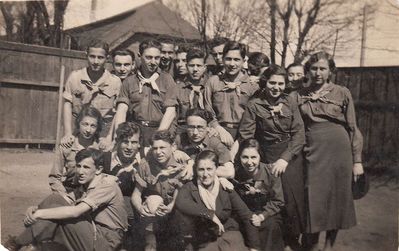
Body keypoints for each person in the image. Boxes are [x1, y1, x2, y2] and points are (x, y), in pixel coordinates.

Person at [297, 51, 363, 251]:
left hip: (339, 151)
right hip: (312, 150)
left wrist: (357, 161)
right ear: (308, 71)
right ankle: (312, 245)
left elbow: (353, 127)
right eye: (314, 68)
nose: (318, 73)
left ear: (330, 71)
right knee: (313, 198)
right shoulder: (299, 94)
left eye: (323, 69)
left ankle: (328, 247)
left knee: (337, 200)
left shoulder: (342, 92)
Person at [5, 148, 128, 251]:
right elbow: (62, 200)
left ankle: (18, 243)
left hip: (106, 240)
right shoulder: (84, 185)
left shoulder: (107, 184)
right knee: (54, 198)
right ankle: (30, 244)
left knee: (56, 213)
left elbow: (76, 211)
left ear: (99, 169)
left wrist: (39, 214)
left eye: (86, 167)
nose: (80, 171)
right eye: (78, 166)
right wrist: (35, 209)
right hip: (90, 230)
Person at [239, 65, 306, 250]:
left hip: (290, 154)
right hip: (266, 154)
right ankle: (276, 240)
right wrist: (258, 160)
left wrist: (285, 158)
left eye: (280, 83)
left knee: (292, 198)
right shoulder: (254, 104)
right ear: (265, 82)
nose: (276, 87)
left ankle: (292, 240)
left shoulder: (290, 102)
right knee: (271, 196)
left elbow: (299, 134)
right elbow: (246, 135)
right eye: (272, 82)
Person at [175, 150, 261, 251]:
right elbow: (180, 202)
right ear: (196, 170)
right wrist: (210, 214)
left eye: (209, 169)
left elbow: (246, 216)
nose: (205, 174)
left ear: (216, 168)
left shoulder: (225, 187)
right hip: (206, 241)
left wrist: (254, 248)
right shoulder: (190, 187)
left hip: (230, 236)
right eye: (201, 169)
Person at [131, 130, 191, 251]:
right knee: (154, 199)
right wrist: (140, 209)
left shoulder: (183, 166)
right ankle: (151, 241)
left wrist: (170, 207)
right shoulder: (146, 165)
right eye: (155, 148)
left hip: (176, 212)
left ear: (173, 147)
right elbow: (136, 195)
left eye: (162, 147)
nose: (158, 152)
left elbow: (182, 194)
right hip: (154, 215)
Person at [113, 39, 177, 150]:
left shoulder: (167, 80)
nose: (153, 62)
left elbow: (170, 111)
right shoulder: (129, 81)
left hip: (159, 130)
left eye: (157, 58)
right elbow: (122, 110)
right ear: (139, 56)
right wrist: (119, 135)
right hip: (135, 132)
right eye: (148, 57)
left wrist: (158, 137)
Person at [62, 40, 122, 146]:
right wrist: (67, 133)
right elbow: (67, 105)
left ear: (107, 58)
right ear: (86, 55)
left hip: (103, 135)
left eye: (100, 57)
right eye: (92, 56)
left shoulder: (115, 82)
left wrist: (109, 138)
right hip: (79, 133)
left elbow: (117, 112)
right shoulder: (75, 77)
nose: (96, 61)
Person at [204, 41, 259, 147]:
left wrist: (241, 139)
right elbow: (207, 110)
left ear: (243, 61)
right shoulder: (213, 82)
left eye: (237, 59)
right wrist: (218, 128)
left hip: (245, 135)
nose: (232, 64)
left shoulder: (253, 85)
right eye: (228, 59)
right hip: (217, 133)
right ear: (223, 59)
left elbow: (255, 117)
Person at [234, 139, 285, 251]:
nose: (249, 162)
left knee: (271, 226)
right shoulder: (235, 174)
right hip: (246, 214)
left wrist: (262, 216)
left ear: (260, 156)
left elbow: (278, 201)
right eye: (245, 157)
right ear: (239, 157)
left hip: (267, 213)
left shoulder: (271, 171)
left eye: (253, 157)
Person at [101, 122, 141, 249]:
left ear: (139, 143)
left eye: (134, 142)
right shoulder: (105, 159)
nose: (129, 147)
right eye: (125, 142)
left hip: (133, 214)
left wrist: (189, 163)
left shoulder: (144, 160)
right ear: (117, 141)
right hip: (108, 211)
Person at [49, 105, 102, 196]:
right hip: (70, 190)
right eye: (85, 124)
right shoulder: (67, 146)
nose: (88, 130)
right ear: (78, 124)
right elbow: (54, 177)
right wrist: (64, 196)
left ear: (97, 128)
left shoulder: (100, 148)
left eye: (93, 126)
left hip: (94, 193)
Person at [176, 108, 234, 179]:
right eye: (191, 127)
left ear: (208, 127)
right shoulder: (180, 139)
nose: (195, 133)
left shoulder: (215, 143)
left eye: (200, 127)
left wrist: (195, 168)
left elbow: (230, 172)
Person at [175, 48, 208, 133]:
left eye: (199, 66)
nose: (195, 69)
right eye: (191, 65)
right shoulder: (178, 89)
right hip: (183, 131)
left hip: (206, 131)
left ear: (204, 67)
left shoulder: (210, 87)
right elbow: (174, 119)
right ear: (186, 66)